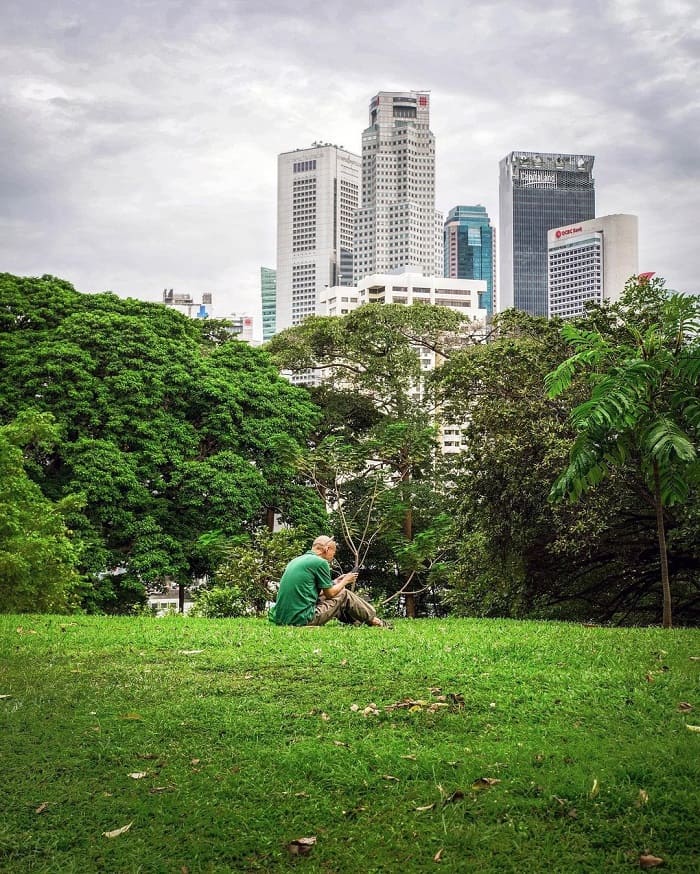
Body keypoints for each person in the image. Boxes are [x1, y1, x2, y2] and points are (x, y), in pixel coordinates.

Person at [269, 536, 388, 627]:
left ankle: (359, 622)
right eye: (333, 552)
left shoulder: (297, 560)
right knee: (344, 593)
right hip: (301, 619)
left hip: (281, 618)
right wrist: (345, 581)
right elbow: (330, 594)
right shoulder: (320, 562)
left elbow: (313, 592)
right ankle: (373, 619)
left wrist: (336, 581)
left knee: (339, 593)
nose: (333, 556)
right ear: (326, 549)